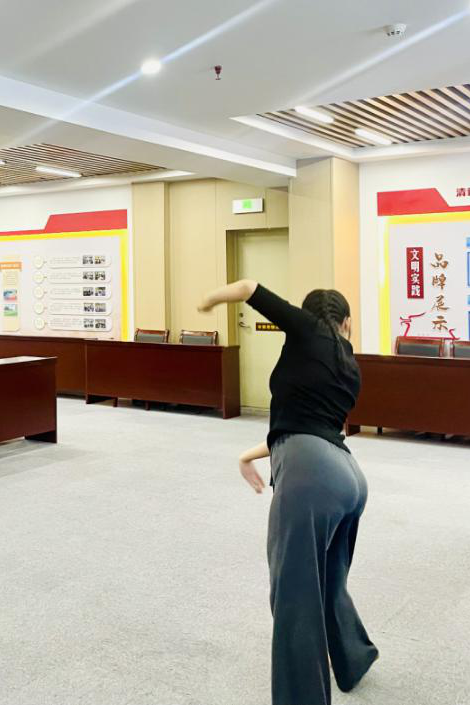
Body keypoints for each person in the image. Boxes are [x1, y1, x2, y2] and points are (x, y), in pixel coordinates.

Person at [198, 280, 378, 705]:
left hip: (310, 478)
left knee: (294, 596)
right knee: (328, 581)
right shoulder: (348, 363)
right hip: (348, 479)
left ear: (310, 316)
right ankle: (354, 658)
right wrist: (248, 454)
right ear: (348, 322)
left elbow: (249, 288)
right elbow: (309, 426)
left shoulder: (307, 330)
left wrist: (209, 299)